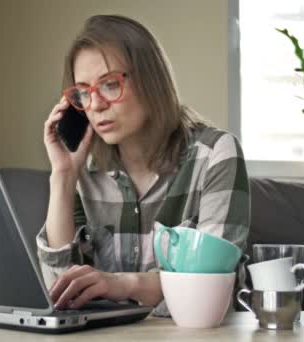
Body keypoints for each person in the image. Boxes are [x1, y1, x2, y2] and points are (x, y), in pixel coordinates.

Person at [38, 14, 249, 316]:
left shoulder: (216, 154)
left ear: (152, 81)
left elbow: (209, 289)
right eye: (84, 92)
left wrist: (123, 284)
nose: (95, 105)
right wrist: (63, 177)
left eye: (110, 84)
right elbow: (62, 294)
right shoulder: (80, 168)